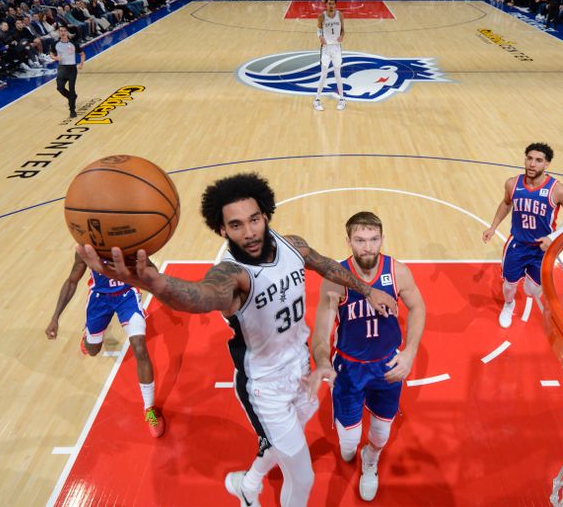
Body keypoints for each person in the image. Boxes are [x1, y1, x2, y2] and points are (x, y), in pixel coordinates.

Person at [75, 172, 398, 507]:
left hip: (300, 368)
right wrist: (157, 285)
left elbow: (327, 265)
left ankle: (248, 483)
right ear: (222, 230)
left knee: (283, 442)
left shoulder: (293, 246)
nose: (249, 232)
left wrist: (367, 289)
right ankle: (250, 485)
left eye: (254, 220)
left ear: (266, 216)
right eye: (236, 225)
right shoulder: (232, 274)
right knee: (302, 477)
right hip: (264, 385)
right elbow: (200, 296)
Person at [307, 212, 426, 502]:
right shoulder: (336, 278)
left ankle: (370, 461)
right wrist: (322, 360)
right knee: (347, 442)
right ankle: (356, 449)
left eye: (374, 239)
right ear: (348, 241)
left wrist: (409, 353)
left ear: (382, 239)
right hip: (349, 368)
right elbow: (321, 333)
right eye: (360, 240)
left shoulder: (397, 271)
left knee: (381, 434)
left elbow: (418, 307)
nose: (368, 247)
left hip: (387, 365)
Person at [45, 253, 165, 437]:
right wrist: (55, 318)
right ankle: (89, 337)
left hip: (127, 296)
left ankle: (149, 408)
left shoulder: (129, 241)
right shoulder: (86, 247)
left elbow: (151, 269)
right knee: (93, 350)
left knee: (140, 347)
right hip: (99, 299)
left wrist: (164, 293)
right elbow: (71, 281)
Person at [481, 143, 563, 328]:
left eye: (538, 160)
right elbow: (506, 204)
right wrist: (493, 227)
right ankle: (509, 305)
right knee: (510, 285)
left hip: (543, 249)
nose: (532, 164)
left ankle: (531, 282)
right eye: (529, 158)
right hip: (517, 245)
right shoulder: (513, 183)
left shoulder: (558, 190)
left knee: (531, 289)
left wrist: (554, 236)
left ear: (547, 165)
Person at [314, 0, 346, 111]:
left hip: (337, 48)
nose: (331, 5)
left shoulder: (340, 15)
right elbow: (318, 29)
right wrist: (320, 36)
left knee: (338, 75)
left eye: (333, 4)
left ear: (335, 5)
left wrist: (342, 36)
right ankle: (317, 100)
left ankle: (342, 99)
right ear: (326, 5)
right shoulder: (322, 16)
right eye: (329, 4)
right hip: (326, 48)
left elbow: (343, 29)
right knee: (323, 75)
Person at [49, 26, 85, 118]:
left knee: (71, 88)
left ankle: (72, 110)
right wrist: (56, 58)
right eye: (61, 31)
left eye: (64, 31)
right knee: (60, 88)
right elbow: (51, 54)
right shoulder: (55, 44)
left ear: (67, 32)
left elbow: (82, 54)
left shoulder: (73, 44)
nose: (63, 32)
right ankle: (71, 97)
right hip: (62, 68)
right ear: (59, 33)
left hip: (72, 68)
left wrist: (81, 64)